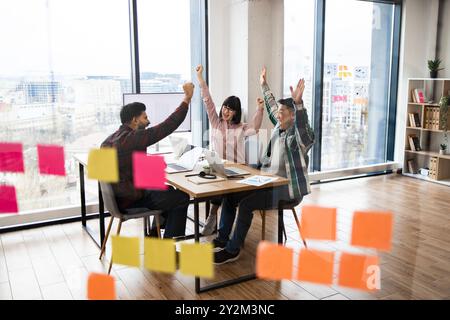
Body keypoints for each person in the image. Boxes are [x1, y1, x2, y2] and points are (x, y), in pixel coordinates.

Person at [212, 67, 315, 264]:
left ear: (293, 116)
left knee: (246, 204)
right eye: (278, 111)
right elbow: (270, 105)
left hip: (286, 188)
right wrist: (263, 84)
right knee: (230, 196)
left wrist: (299, 103)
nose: (277, 114)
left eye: (282, 112)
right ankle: (222, 239)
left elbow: (305, 130)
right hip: (266, 181)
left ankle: (233, 250)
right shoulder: (279, 125)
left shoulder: (299, 136)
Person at [101, 82, 195, 238]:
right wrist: (187, 98)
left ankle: (153, 236)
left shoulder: (109, 140)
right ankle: (168, 250)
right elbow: (167, 126)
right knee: (182, 197)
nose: (148, 121)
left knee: (168, 191)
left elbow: (126, 166)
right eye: (145, 117)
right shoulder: (132, 138)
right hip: (130, 200)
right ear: (134, 120)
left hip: (116, 199)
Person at [195, 65, 264, 236]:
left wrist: (260, 109)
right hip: (219, 168)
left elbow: (255, 128)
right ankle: (213, 219)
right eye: (225, 107)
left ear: (236, 113)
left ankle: (213, 219)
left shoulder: (242, 127)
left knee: (223, 190)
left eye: (231, 109)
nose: (226, 111)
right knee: (210, 183)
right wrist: (200, 79)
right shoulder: (216, 123)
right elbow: (208, 102)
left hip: (238, 170)